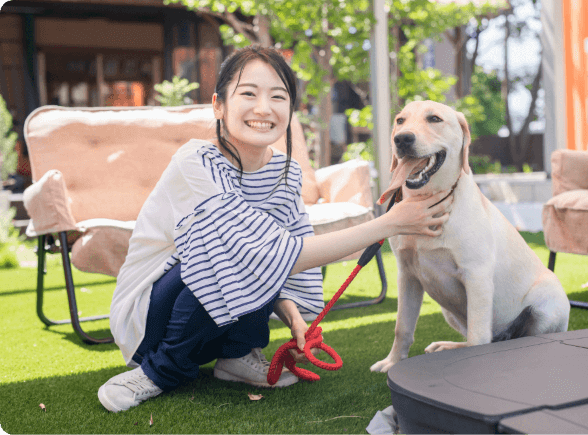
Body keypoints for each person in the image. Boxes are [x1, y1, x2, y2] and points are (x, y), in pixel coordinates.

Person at [97, 45, 453, 413]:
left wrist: (295, 320)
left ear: (290, 110)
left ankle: (235, 355)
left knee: (254, 250)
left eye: (278, 97)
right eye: (248, 94)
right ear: (218, 105)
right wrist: (391, 222)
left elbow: (279, 259)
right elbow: (260, 253)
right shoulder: (195, 162)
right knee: (228, 248)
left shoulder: (285, 172)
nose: (264, 108)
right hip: (152, 322)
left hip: (214, 322)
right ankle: (158, 371)